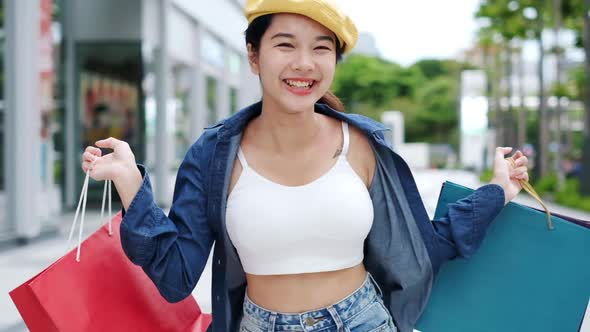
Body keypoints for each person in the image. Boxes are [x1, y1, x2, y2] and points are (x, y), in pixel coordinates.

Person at [81, 0, 530, 331]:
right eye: (285, 44)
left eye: (321, 48)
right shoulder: (214, 154)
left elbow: (422, 249)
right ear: (254, 56)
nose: (304, 63)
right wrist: (130, 182)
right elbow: (176, 276)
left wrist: (496, 191)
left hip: (364, 322)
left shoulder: (364, 146)